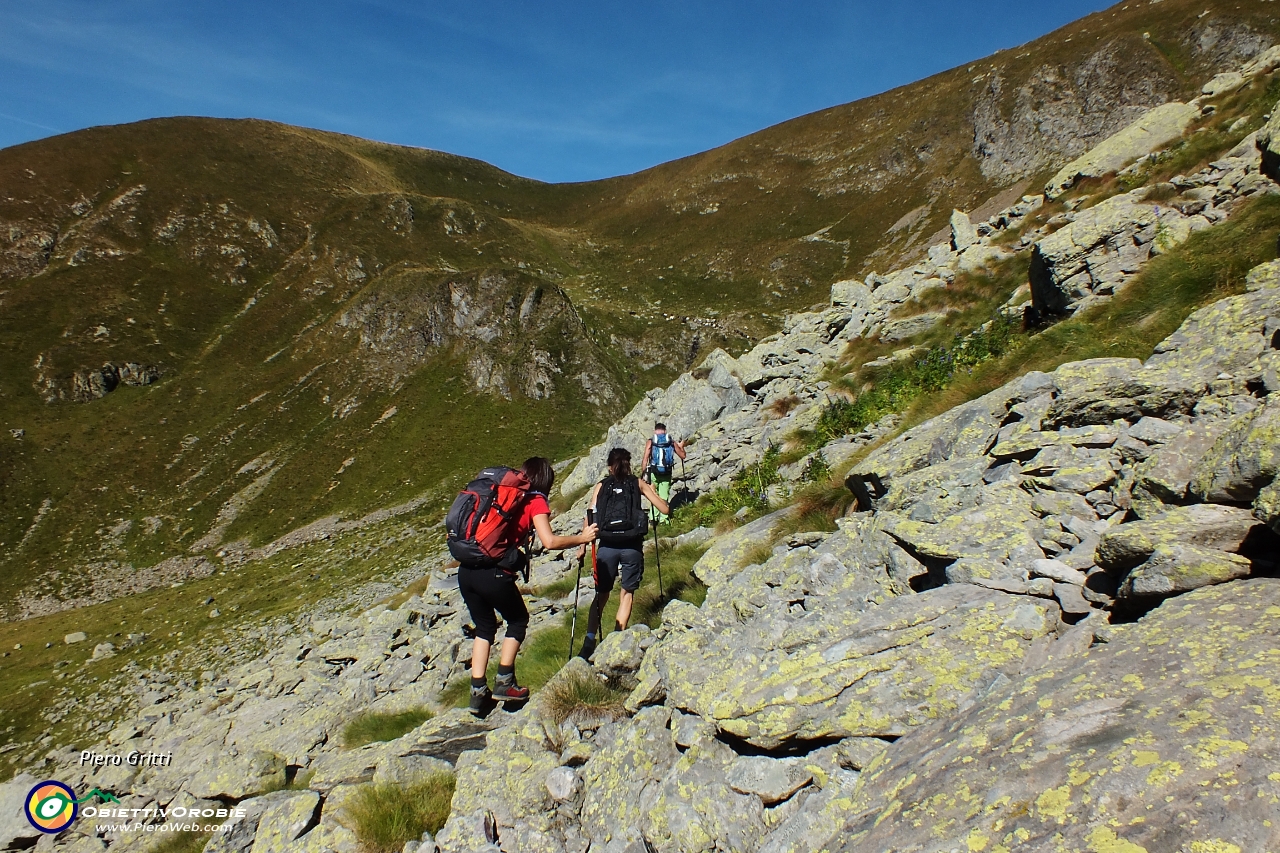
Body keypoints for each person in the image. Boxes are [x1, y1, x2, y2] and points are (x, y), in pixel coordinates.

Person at [458, 457, 597, 713]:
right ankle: (505, 681)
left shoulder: (501, 495)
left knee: (485, 627)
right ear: (546, 481)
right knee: (518, 620)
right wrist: (582, 538)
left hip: (467, 570)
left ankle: (477, 693)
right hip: (495, 573)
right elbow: (549, 541)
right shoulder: (536, 500)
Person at [577, 447, 669, 660]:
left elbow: (591, 515)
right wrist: (652, 491)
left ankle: (590, 640)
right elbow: (664, 510)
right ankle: (617, 639)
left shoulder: (601, 486)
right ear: (629, 465)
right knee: (626, 593)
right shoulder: (638, 483)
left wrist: (582, 546)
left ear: (610, 466)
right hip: (632, 546)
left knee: (601, 595)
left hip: (607, 546)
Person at [642, 423, 686, 523]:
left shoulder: (651, 441)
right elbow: (683, 456)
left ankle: (653, 518)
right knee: (664, 495)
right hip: (666, 472)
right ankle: (663, 519)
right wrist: (682, 446)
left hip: (654, 472)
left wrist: (644, 473)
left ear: (655, 431)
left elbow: (645, 458)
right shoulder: (670, 441)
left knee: (653, 494)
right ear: (665, 431)